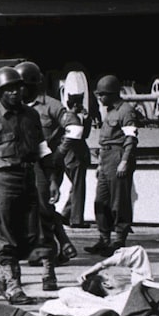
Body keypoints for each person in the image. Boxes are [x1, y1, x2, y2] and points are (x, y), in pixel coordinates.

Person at [0, 66, 59, 304]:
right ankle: (13, 287)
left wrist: (51, 179)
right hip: (3, 183)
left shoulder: (31, 117)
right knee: (6, 238)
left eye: (17, 88)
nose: (14, 93)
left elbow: (43, 149)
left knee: (29, 236)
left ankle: (1, 271)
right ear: (0, 92)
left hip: (28, 179)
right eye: (8, 89)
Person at [16, 61, 81, 287]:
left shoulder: (50, 105)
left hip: (46, 166)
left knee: (43, 208)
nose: (17, 90)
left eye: (21, 85)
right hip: (25, 167)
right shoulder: (18, 107)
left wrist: (59, 154)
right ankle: (60, 245)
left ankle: (50, 256)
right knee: (33, 210)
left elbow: (75, 127)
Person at [85, 75, 139, 257]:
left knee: (119, 202)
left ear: (112, 94)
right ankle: (104, 239)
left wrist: (124, 161)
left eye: (102, 95)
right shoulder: (109, 111)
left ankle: (119, 240)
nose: (100, 98)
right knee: (101, 201)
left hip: (118, 157)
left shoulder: (126, 111)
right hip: (106, 158)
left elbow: (131, 139)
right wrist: (101, 164)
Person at [60, 92, 93, 229]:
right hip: (75, 158)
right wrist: (87, 119)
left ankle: (66, 214)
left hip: (67, 159)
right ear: (75, 105)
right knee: (79, 188)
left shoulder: (65, 117)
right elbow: (82, 137)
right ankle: (76, 219)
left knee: (75, 187)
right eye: (80, 103)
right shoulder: (74, 120)